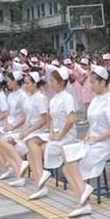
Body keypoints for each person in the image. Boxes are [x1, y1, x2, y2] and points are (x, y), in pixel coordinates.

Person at [61, 65, 110, 217]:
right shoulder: (95, 100)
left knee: (71, 165)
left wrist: (97, 138)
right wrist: (87, 136)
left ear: (103, 83)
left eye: (93, 82)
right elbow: (93, 124)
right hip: (91, 141)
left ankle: (83, 201)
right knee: (65, 160)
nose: (91, 85)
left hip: (103, 145)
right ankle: (83, 192)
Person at [26, 67, 77, 200]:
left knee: (34, 149)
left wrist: (59, 135)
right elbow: (52, 119)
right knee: (31, 143)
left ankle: (40, 184)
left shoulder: (67, 97)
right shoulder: (54, 99)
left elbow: (71, 120)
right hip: (56, 134)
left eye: (53, 80)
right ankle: (40, 180)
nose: (50, 83)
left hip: (67, 135)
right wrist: (52, 132)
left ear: (60, 82)